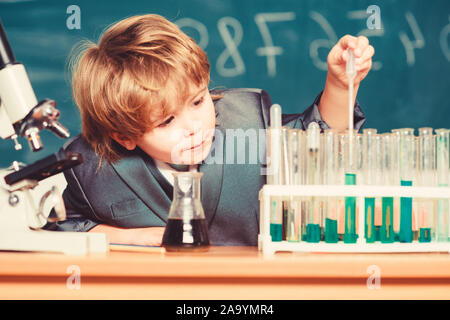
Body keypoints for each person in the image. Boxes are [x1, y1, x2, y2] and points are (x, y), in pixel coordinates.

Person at [44, 14, 373, 246]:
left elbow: (317, 136)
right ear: (124, 136)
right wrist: (130, 237)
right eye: (167, 122)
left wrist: (340, 86)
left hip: (256, 289)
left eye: (198, 102)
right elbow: (63, 227)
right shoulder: (92, 167)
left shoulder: (249, 121)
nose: (194, 126)